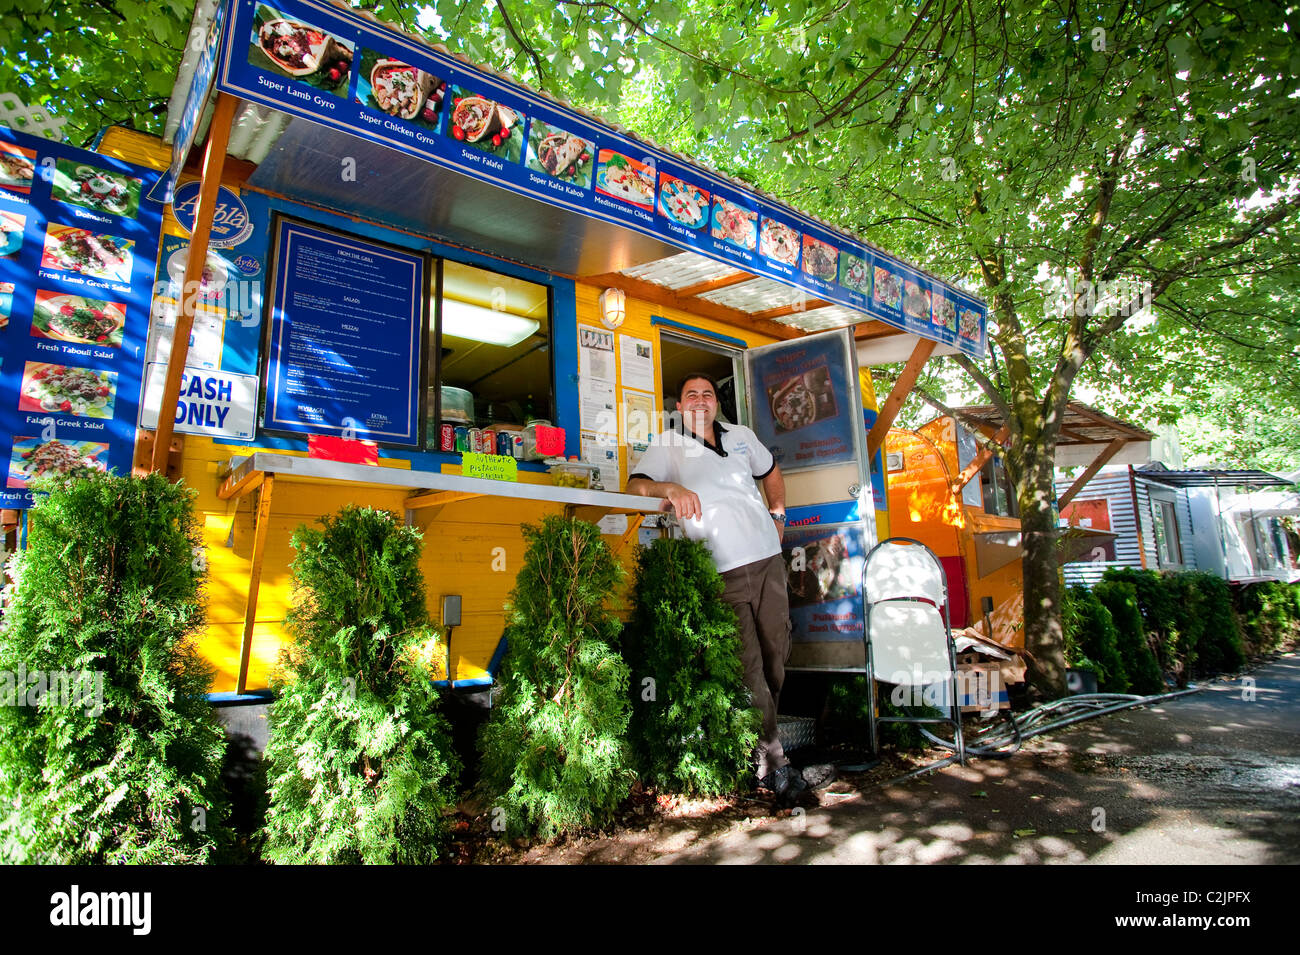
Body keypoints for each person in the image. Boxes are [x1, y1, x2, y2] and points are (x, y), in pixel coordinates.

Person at [626, 372, 807, 803]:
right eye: (691, 394)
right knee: (749, 667)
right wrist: (670, 487)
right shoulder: (667, 445)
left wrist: (779, 516)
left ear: (716, 403)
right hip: (721, 571)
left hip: (767, 560)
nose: (701, 400)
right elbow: (634, 488)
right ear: (680, 404)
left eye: (708, 394)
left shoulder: (742, 436)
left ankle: (763, 746)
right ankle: (773, 764)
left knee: (775, 657)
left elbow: (772, 472)